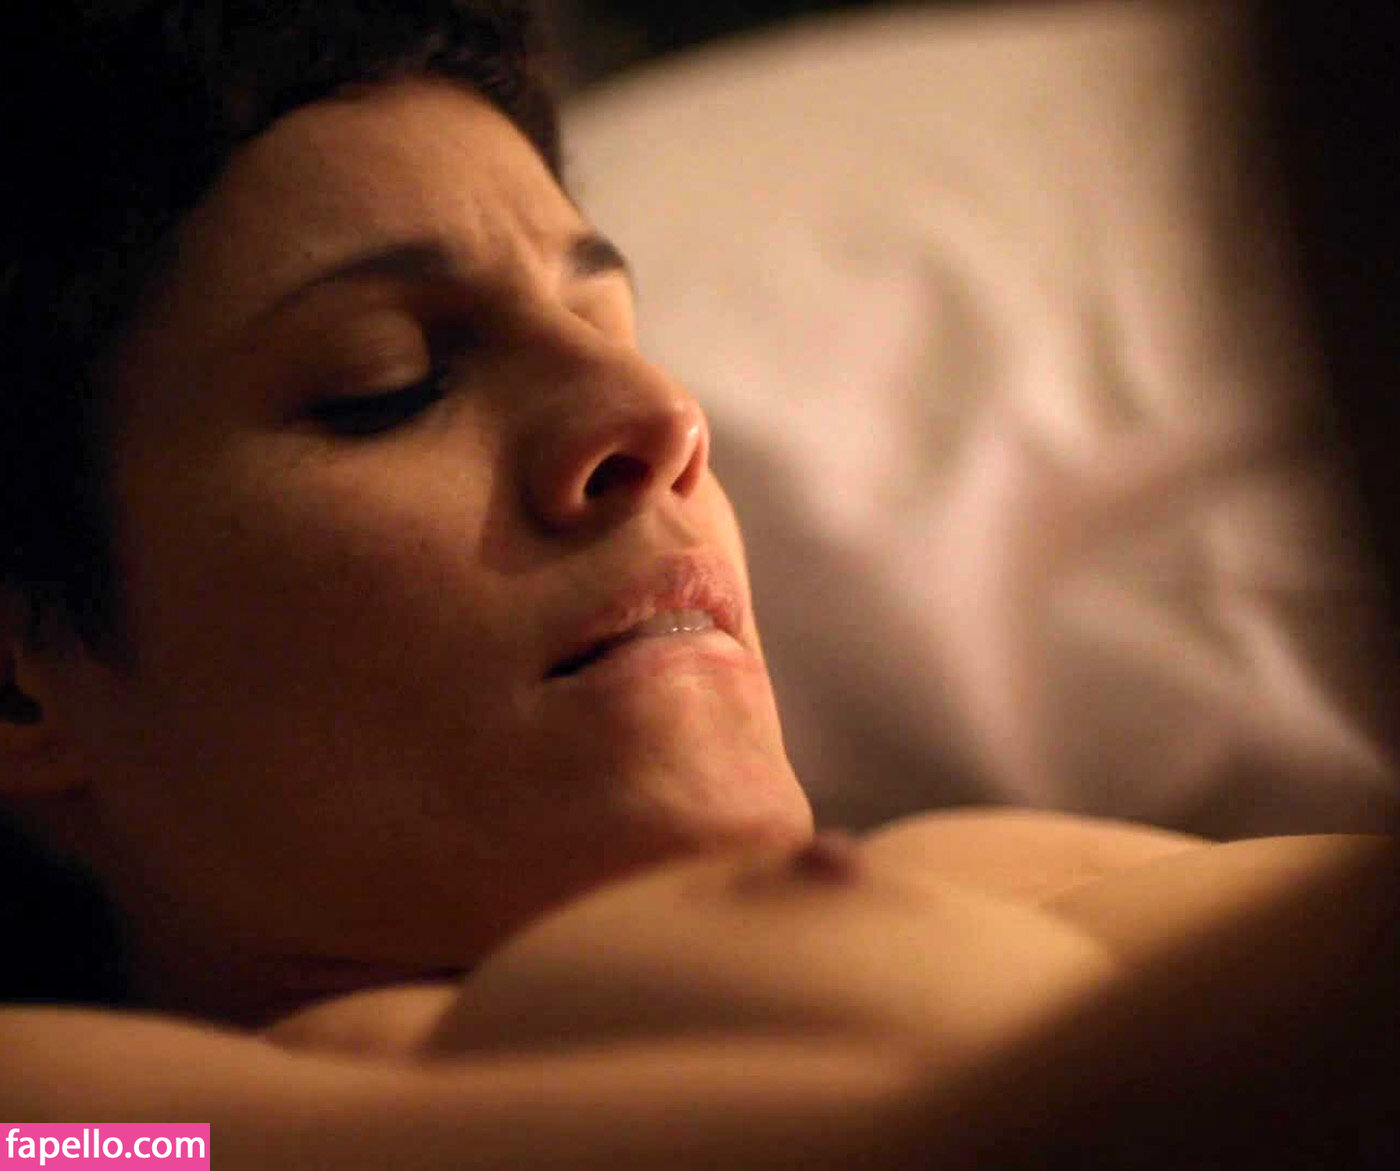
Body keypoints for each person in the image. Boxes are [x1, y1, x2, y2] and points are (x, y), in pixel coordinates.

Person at [0, 2, 1395, 1166]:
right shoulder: (76, 1120)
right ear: (20, 681)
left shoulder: (1026, 869)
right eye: (390, 380)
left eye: (613, 326)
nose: (660, 417)